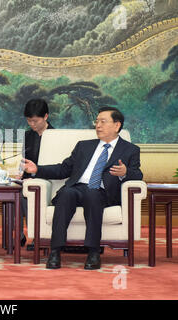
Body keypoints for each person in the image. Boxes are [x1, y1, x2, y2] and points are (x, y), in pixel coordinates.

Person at [22, 106, 143, 269]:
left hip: (101, 192)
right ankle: (55, 251)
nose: (98, 125)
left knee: (93, 195)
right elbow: (64, 169)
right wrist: (38, 169)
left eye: (103, 121)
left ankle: (93, 252)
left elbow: (138, 175)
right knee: (66, 194)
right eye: (97, 121)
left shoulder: (130, 150)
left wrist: (125, 172)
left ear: (117, 125)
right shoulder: (84, 146)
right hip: (77, 187)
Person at [20, 98, 54, 250]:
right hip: (28, 179)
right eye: (29, 121)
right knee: (14, 192)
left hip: (49, 180)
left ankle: (37, 236)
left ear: (46, 116)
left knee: (30, 193)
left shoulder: (56, 136)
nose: (32, 124)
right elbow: (23, 160)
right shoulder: (28, 136)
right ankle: (19, 234)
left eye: (35, 121)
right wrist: (19, 173)